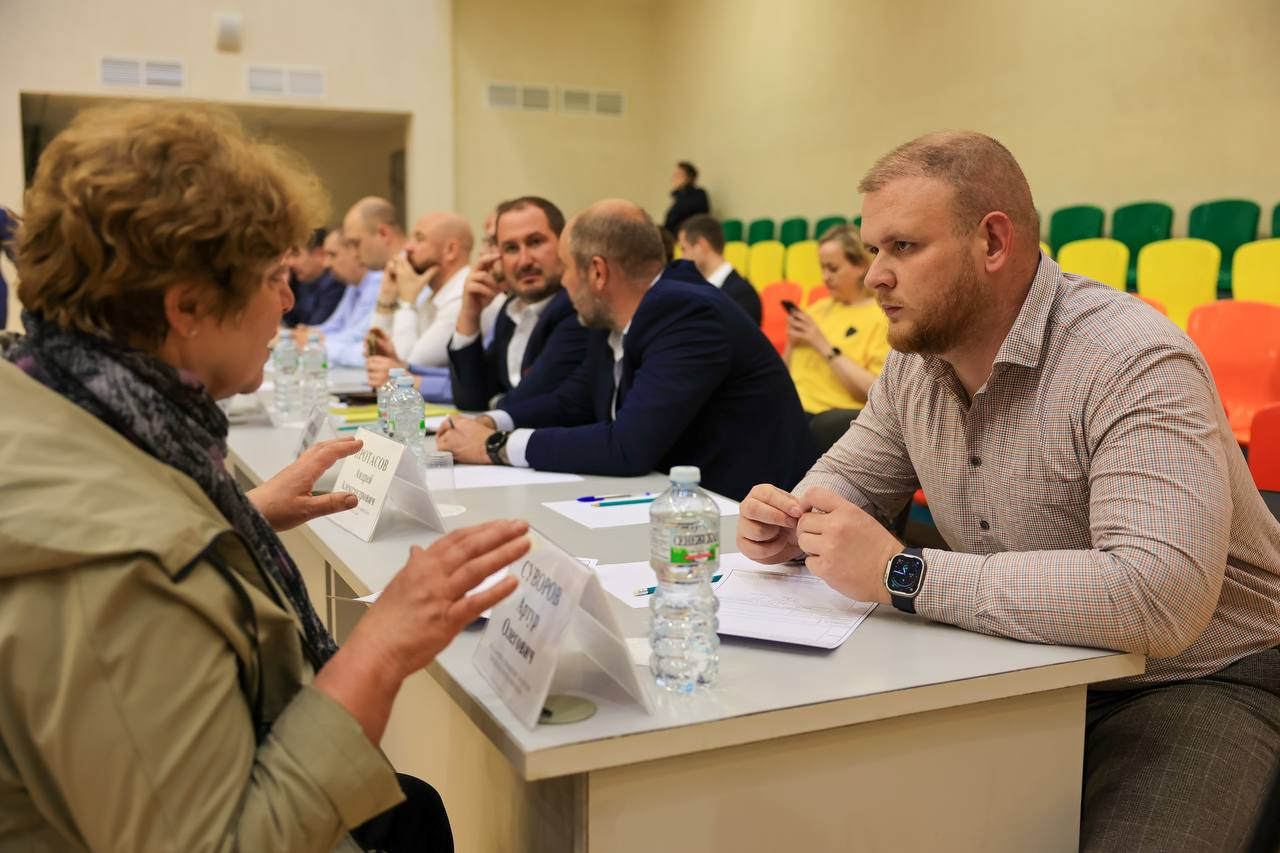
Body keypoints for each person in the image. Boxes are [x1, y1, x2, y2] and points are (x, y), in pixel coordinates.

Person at [0, 101, 529, 852]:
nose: (287, 302)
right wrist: (382, 644)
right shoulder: (109, 557)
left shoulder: (65, 398)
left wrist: (236, 517)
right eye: (273, 278)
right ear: (187, 306)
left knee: (413, 808)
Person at [736, 131, 1280, 851]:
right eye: (872, 250)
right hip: (1018, 658)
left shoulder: (1130, 357)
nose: (875, 277)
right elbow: (844, 483)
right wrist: (790, 520)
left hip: (1195, 677)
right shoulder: (915, 365)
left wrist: (903, 572)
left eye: (903, 247)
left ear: (993, 242)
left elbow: (1159, 596)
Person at [437, 199, 816, 502]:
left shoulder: (688, 315)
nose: (564, 282)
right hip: (678, 503)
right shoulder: (615, 318)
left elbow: (628, 446)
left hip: (743, 523)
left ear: (597, 273)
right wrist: (492, 423)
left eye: (567, 268)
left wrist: (494, 447)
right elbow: (573, 401)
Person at [447, 196, 589, 411]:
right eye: (511, 248)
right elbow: (470, 398)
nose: (524, 261)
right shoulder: (510, 311)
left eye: (535, 242)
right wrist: (469, 315)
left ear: (563, 244)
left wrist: (495, 404)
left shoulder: (577, 308)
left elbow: (533, 398)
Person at [784, 224, 890, 452]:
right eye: (822, 268)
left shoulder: (880, 317)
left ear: (860, 266)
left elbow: (877, 392)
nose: (825, 277)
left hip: (829, 419)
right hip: (790, 409)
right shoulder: (816, 309)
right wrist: (791, 343)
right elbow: (784, 373)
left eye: (833, 269)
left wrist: (822, 345)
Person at [298, 226, 382, 367]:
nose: (326, 264)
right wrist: (308, 333)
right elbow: (336, 325)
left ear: (355, 252)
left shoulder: (377, 283)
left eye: (332, 255)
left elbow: (357, 337)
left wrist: (314, 341)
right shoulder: (353, 285)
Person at [677, 214, 762, 324]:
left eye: (684, 249)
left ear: (702, 244)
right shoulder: (695, 289)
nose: (682, 257)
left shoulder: (743, 295)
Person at [283, 227, 346, 328]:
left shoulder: (335, 282)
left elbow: (315, 328)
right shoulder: (301, 280)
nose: (290, 263)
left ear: (319, 254)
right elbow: (289, 322)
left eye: (296, 255)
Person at [662, 160, 710, 236]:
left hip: (691, 236)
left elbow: (681, 213)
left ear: (689, 178)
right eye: (675, 175)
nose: (674, 178)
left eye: (678, 175)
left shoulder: (698, 195)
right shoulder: (678, 199)